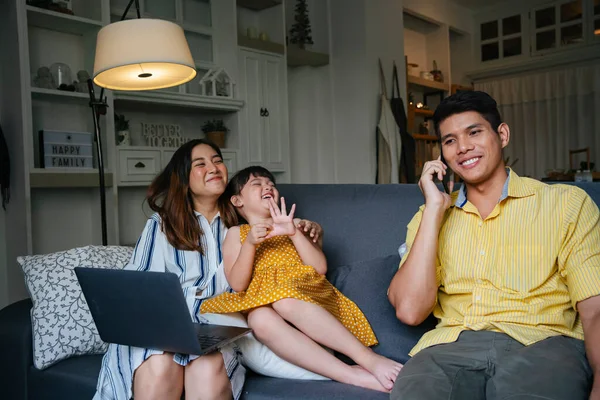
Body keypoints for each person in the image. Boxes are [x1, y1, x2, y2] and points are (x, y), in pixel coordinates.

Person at [387, 90, 600, 400]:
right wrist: (433, 209)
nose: (463, 148)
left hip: (544, 344)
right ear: (442, 155)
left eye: (474, 132)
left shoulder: (567, 204)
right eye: (450, 141)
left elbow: (594, 310)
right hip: (449, 348)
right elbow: (409, 311)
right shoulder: (428, 218)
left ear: (502, 135)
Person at [93, 140, 323, 400]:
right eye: (200, 164)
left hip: (217, 326)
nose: (213, 167)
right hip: (166, 323)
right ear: (183, 179)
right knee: (159, 367)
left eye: (217, 160)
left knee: (206, 366)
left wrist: (309, 226)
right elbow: (139, 284)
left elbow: (285, 241)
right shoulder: (162, 225)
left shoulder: (246, 224)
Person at [201, 166, 403, 393]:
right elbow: (238, 284)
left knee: (285, 301)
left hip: (308, 306)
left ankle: (368, 359)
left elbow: (319, 268)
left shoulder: (295, 225)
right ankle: (350, 374)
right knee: (258, 319)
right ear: (237, 200)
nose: (267, 186)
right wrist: (249, 244)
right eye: (257, 184)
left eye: (270, 184)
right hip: (284, 332)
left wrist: (295, 233)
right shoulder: (236, 233)